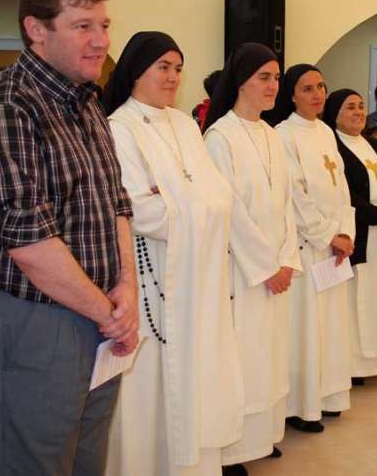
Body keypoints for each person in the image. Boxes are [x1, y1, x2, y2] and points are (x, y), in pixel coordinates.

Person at [0, 0, 138, 475]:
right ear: (36, 29)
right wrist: (108, 311)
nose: (101, 41)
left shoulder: (86, 101)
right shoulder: (4, 107)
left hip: (97, 310)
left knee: (86, 463)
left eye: (104, 25)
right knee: (36, 465)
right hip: (35, 320)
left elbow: (116, 202)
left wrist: (126, 286)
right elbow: (30, 243)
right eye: (83, 26)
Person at [103, 32, 278, 476]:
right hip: (152, 275)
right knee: (154, 381)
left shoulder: (183, 124)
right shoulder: (118, 128)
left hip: (199, 273)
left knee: (199, 374)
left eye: (178, 69)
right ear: (136, 70)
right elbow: (140, 210)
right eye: (163, 67)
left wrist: (178, 198)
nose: (173, 77)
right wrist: (193, 204)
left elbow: (220, 195)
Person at [203, 43, 302, 473]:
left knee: (271, 355)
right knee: (244, 356)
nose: (273, 85)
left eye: (276, 78)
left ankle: (264, 435)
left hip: (276, 269)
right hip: (242, 273)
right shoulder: (219, 137)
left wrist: (287, 258)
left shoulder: (272, 135)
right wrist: (266, 266)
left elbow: (286, 204)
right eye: (264, 77)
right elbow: (229, 211)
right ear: (241, 80)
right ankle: (235, 448)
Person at [274, 64, 355, 433]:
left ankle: (328, 395)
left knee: (332, 325)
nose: (317, 94)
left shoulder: (325, 131)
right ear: (292, 95)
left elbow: (342, 187)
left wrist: (346, 232)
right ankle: (301, 405)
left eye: (321, 86)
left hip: (335, 245)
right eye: (307, 88)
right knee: (306, 327)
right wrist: (327, 235)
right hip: (309, 246)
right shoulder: (284, 134)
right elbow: (296, 194)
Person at [321, 88, 377, 382]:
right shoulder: (333, 147)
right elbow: (348, 194)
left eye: (360, 106)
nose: (358, 112)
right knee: (358, 301)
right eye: (350, 107)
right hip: (361, 234)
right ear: (334, 114)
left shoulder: (375, 144)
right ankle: (357, 365)